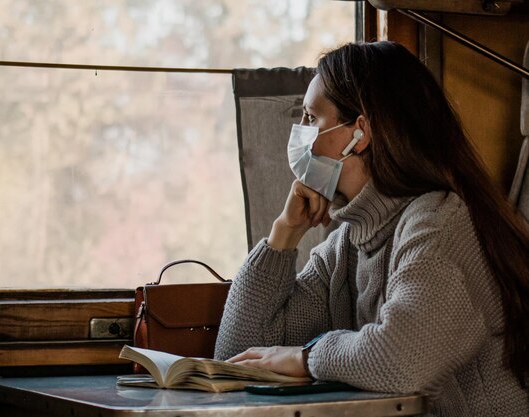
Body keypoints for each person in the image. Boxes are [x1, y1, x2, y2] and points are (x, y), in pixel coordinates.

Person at [214, 41, 529, 416]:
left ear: (359, 133)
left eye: (312, 118)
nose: (300, 132)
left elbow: (400, 359)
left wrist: (308, 357)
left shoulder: (439, 223)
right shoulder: (347, 241)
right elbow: (238, 356)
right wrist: (284, 234)